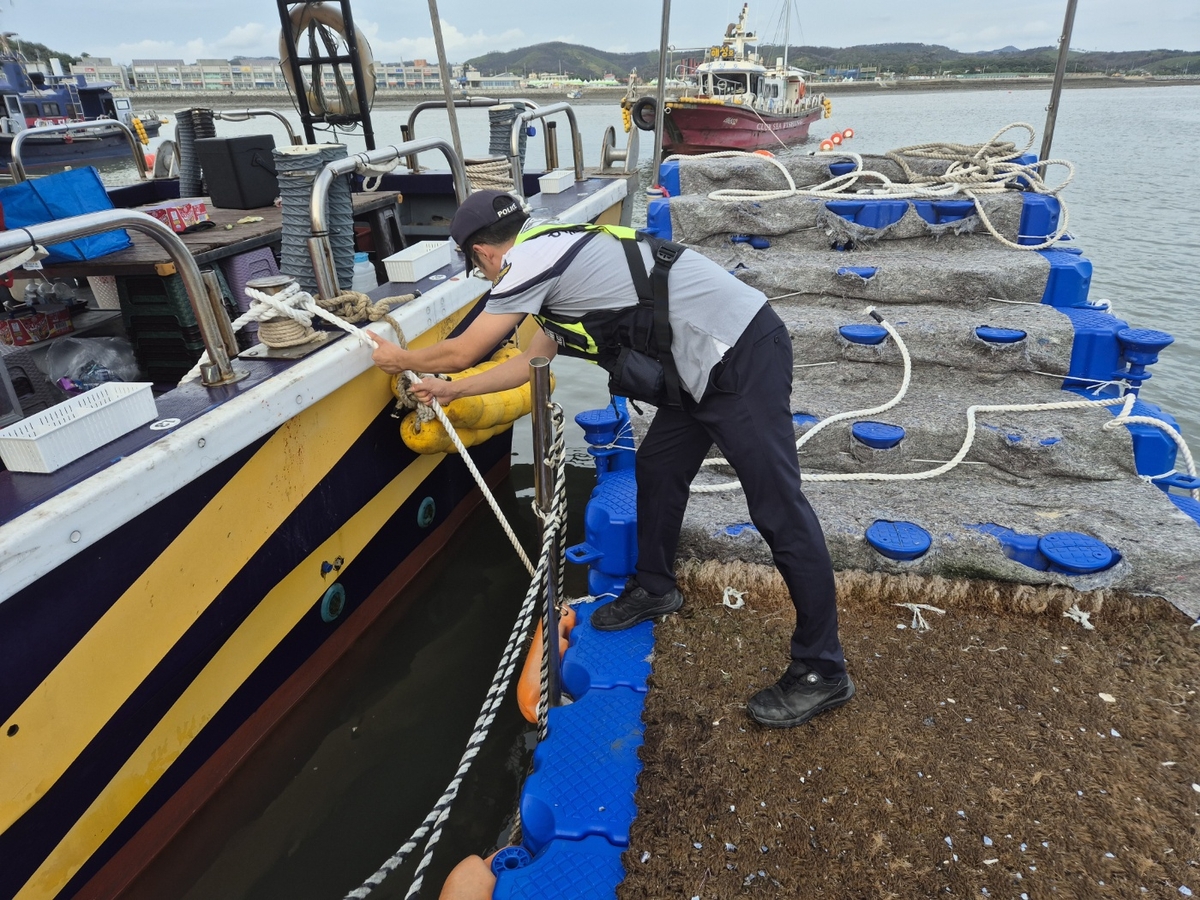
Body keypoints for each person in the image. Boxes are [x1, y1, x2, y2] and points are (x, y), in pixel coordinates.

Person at [366, 190, 852, 729]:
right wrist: (452, 391)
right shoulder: (554, 259)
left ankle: (822, 668)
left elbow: (464, 349)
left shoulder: (531, 259)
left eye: (475, 264)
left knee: (778, 508)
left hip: (741, 354)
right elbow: (531, 360)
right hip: (696, 368)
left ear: (481, 252)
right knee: (659, 469)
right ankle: (655, 588)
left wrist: (400, 358)